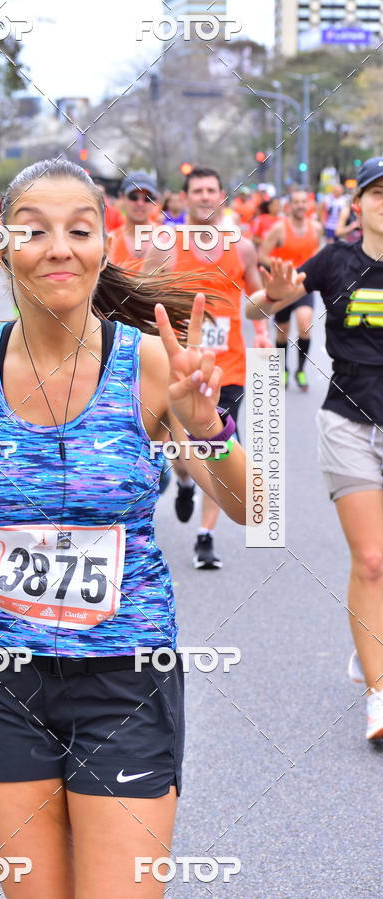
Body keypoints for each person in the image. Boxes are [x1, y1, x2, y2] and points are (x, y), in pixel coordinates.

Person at [0, 159, 248, 897]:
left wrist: (207, 429)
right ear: (3, 247)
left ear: (105, 246)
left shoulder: (149, 367)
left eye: (80, 229)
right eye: (34, 230)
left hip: (124, 672)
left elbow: (254, 511)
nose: (59, 247)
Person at [246, 157, 383, 742]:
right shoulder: (336, 260)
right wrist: (271, 299)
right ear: (358, 204)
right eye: (377, 193)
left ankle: (369, 647)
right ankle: (380, 693)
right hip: (349, 422)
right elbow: (258, 308)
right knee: (373, 559)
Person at [145, 165, 271, 569]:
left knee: (219, 447)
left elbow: (252, 304)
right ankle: (184, 481)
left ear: (222, 196)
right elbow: (142, 299)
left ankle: (206, 536)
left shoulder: (243, 247)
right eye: (196, 190)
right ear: (184, 198)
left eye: (211, 190)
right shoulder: (165, 245)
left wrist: (274, 299)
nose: (204, 196)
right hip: (180, 370)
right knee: (184, 455)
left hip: (227, 369)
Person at [259, 188, 323, 391]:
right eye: (296, 202)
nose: (300, 205)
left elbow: (317, 252)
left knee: (305, 325)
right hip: (283, 287)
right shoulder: (279, 228)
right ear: (290, 206)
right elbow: (262, 255)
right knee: (282, 332)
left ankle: (301, 370)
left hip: (304, 286)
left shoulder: (316, 228)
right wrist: (283, 268)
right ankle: (283, 369)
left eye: (304, 201)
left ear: (308, 205)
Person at [108, 171, 162, 271]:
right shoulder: (110, 242)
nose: (140, 203)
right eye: (133, 197)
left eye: (147, 198)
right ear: (121, 198)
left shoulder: (167, 238)